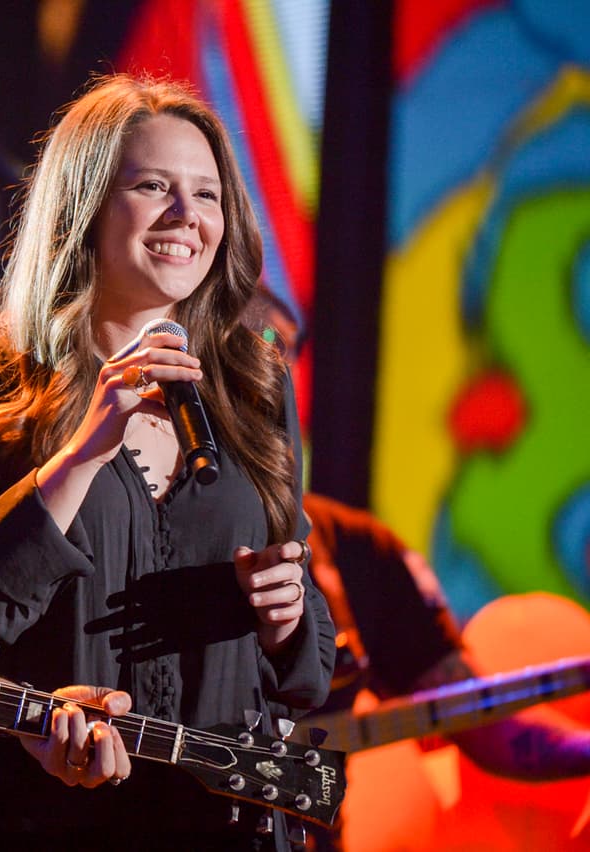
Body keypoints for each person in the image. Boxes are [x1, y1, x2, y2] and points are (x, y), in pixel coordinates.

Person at [0, 74, 335, 851]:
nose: (186, 217)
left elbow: (308, 673)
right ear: (85, 208)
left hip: (218, 826)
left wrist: (287, 615)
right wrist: (88, 445)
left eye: (207, 195)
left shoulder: (254, 388)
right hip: (34, 821)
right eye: (151, 187)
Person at [245, 285, 590, 850]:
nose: (261, 380)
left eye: (278, 355)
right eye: (237, 353)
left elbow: (488, 729)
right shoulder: (132, 529)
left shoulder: (358, 548)